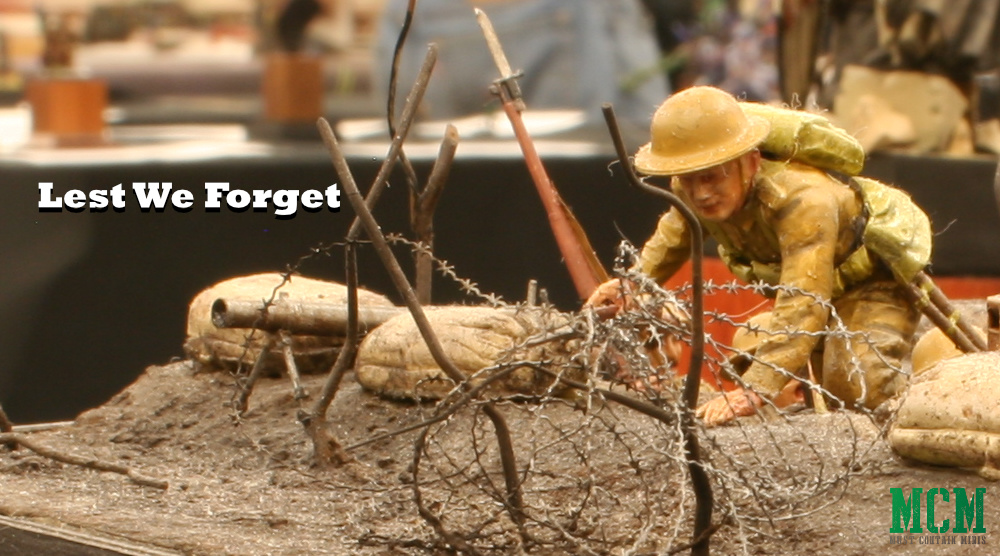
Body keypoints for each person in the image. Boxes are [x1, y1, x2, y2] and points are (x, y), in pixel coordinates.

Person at [587, 86, 932, 426]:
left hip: (869, 284)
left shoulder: (804, 200)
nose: (700, 193)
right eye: (688, 179)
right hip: (812, 293)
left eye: (711, 177)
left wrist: (755, 389)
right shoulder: (692, 190)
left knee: (859, 388)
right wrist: (631, 284)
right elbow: (674, 235)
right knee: (799, 376)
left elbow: (804, 300)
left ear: (750, 163)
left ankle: (914, 425)